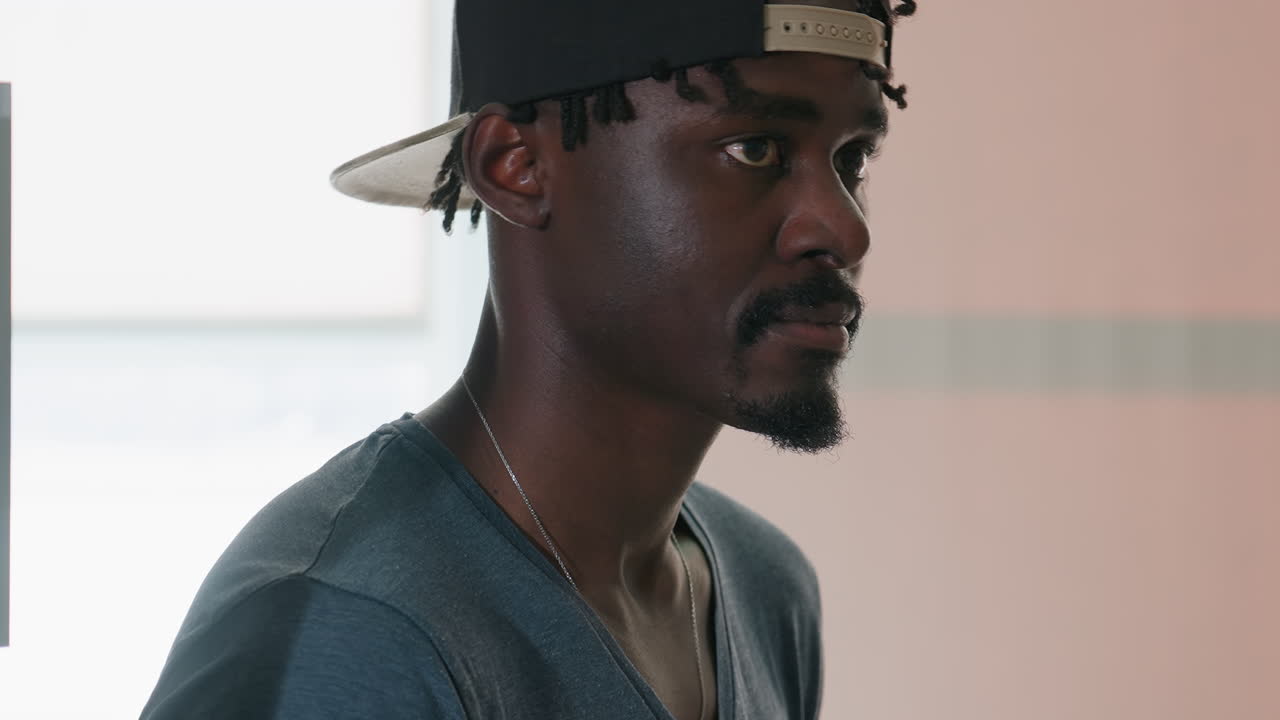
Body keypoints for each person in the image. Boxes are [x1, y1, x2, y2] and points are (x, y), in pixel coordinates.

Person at [140, 0, 918, 717]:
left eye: (851, 162)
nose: (843, 231)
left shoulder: (764, 587)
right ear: (516, 166)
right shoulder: (348, 628)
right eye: (756, 149)